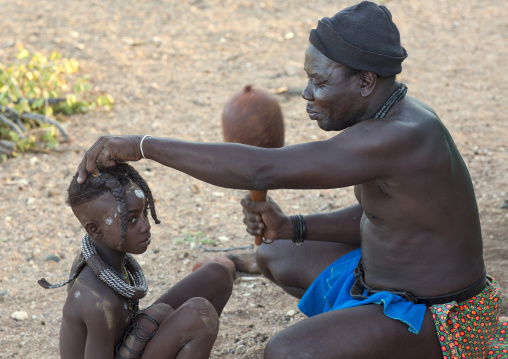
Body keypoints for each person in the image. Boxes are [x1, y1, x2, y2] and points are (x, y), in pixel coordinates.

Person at [75, 1, 508, 358]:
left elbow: (264, 170)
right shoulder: (391, 115)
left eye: (318, 81)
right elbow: (381, 216)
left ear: (365, 81)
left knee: (287, 352)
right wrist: (293, 227)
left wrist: (142, 145)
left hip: (439, 318)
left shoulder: (397, 136)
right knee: (276, 252)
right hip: (383, 284)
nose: (306, 94)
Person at [39, 162, 233, 359]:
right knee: (199, 316)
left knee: (217, 276)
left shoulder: (101, 256)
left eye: (144, 213)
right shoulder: (98, 301)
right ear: (94, 230)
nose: (145, 226)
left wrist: (143, 327)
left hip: (127, 344)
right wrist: (146, 327)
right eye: (131, 219)